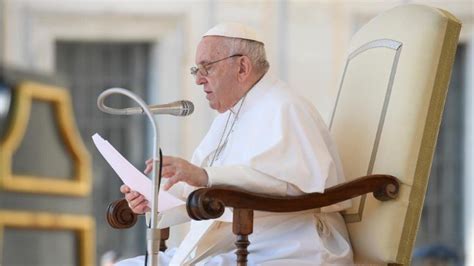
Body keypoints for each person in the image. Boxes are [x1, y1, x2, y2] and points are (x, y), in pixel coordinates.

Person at [117, 22, 353, 265]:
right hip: (237, 242)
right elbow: (197, 185)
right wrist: (153, 200)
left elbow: (294, 187)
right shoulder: (229, 116)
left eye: (206, 67)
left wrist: (205, 176)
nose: (199, 80)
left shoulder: (285, 107)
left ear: (242, 67)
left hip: (289, 245)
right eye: (195, 70)